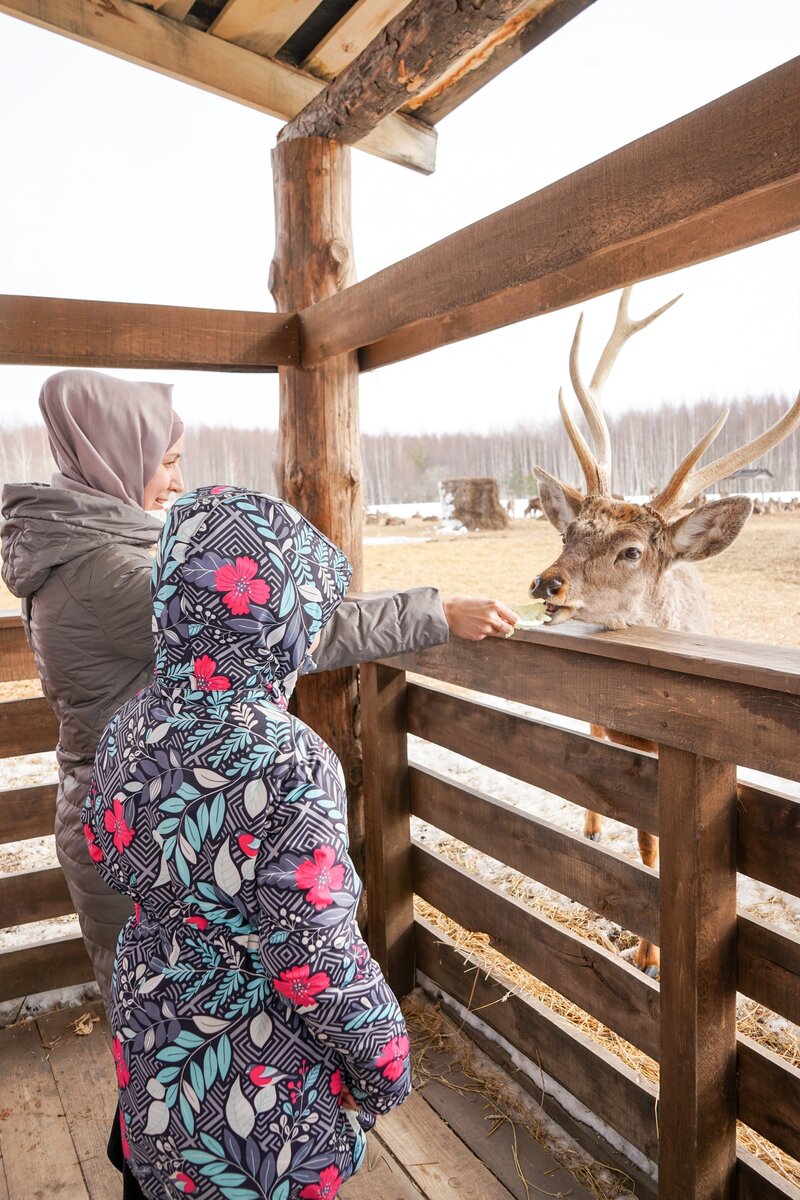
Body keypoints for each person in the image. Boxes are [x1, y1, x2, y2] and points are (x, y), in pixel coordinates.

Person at [0, 369, 519, 1008]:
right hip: (147, 817)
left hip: (131, 808)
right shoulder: (108, 571)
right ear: (116, 457)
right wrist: (435, 614)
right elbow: (284, 628)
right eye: (165, 463)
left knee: (154, 1028)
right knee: (176, 1029)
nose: (180, 482)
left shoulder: (85, 547)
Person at [84, 485, 412, 1199]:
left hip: (152, 1042)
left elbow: (106, 850)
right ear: (280, 616)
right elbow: (314, 954)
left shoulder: (131, 723)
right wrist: (384, 1065)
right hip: (261, 1106)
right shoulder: (290, 760)